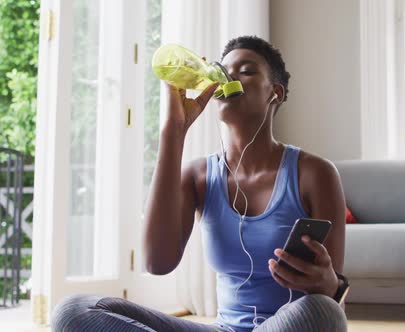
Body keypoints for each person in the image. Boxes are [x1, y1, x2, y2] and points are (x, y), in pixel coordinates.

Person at [51, 35, 349, 332]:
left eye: (245, 71)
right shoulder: (198, 176)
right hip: (222, 328)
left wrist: (329, 284)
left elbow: (331, 298)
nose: (227, 78)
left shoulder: (314, 173)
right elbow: (158, 263)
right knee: (73, 311)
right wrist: (174, 131)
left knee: (323, 311)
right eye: (222, 70)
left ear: (276, 93)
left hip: (288, 325)